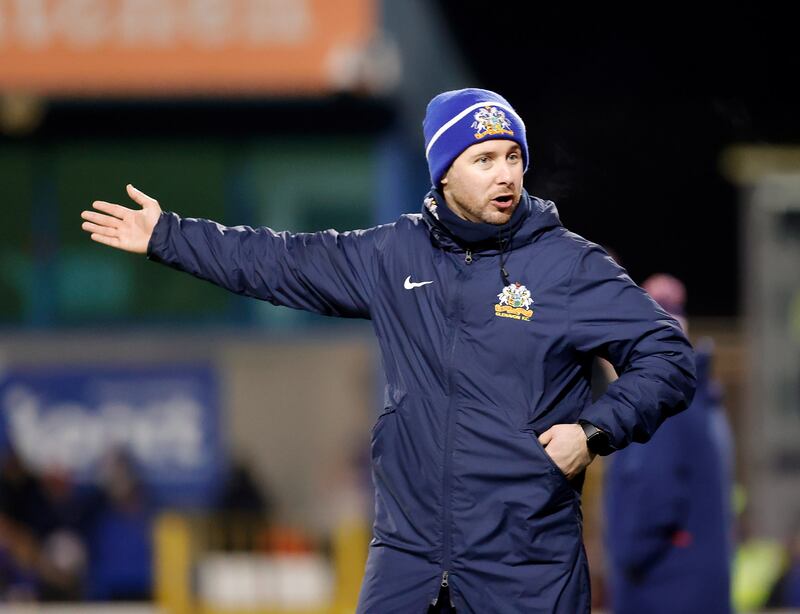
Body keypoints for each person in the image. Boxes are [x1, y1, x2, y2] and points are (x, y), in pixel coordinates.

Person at [79, 88, 696, 613]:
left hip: (526, 564)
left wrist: (592, 432)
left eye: (513, 157)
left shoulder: (566, 265)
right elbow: (277, 260)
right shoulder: (395, 253)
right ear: (445, 171)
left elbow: (668, 356)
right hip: (409, 557)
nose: (505, 173)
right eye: (484, 159)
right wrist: (168, 236)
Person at [603, 273, 733, 614]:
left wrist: (626, 555)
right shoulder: (701, 397)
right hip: (697, 591)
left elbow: (653, 498)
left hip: (662, 592)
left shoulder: (662, 402)